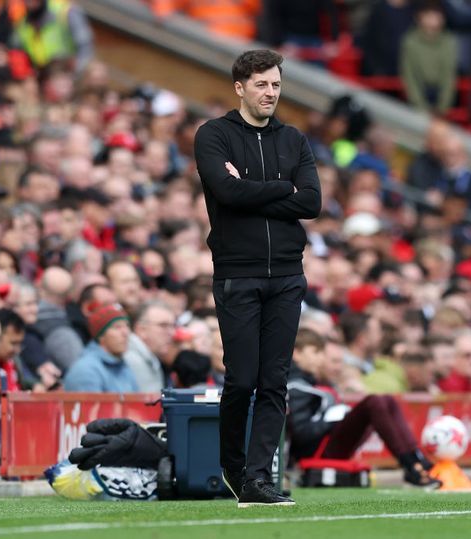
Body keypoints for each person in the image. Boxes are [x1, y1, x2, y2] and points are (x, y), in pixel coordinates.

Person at [194, 49, 321, 507]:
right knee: (242, 380)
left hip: (288, 274)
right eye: (262, 84)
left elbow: (311, 202)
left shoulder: (294, 139)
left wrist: (253, 192)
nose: (271, 93)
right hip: (238, 274)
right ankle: (233, 466)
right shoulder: (214, 135)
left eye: (276, 85)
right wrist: (283, 189)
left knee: (274, 382)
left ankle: (257, 477)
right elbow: (225, 192)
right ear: (240, 87)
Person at [286, 328, 438, 487]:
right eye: (316, 352)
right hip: (316, 452)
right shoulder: (296, 387)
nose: (321, 358)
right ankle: (410, 464)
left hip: (327, 443)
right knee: (374, 402)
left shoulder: (312, 382)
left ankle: (417, 458)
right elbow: (301, 434)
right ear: (296, 353)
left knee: (387, 399)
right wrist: (332, 419)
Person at [63, 302, 139, 393]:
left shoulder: (122, 365)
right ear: (101, 335)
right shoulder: (86, 370)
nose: (125, 333)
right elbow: (89, 407)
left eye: (127, 326)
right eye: (117, 327)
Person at [399, 0, 458, 115]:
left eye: (436, 15)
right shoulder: (410, 41)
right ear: (419, 17)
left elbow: (449, 76)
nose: (433, 19)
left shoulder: (449, 42)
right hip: (417, 97)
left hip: (440, 97)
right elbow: (409, 76)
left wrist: (443, 107)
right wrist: (420, 106)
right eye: (429, 15)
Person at [12, 0, 94, 73]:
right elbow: (17, 51)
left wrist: (75, 74)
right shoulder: (21, 21)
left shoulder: (65, 10)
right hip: (42, 77)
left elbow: (86, 48)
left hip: (68, 74)